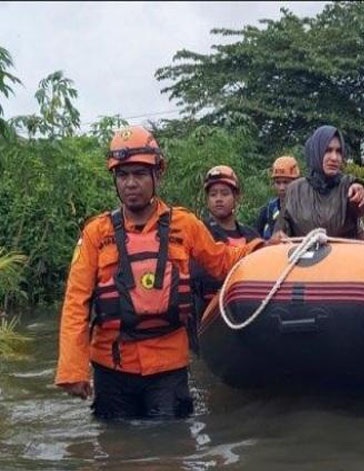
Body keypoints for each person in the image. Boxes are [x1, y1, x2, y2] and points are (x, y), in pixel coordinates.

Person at [56, 126, 266, 420]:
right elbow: (76, 302)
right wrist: (73, 370)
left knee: (171, 450)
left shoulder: (186, 224)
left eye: (140, 174)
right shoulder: (95, 233)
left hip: (168, 367)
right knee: (115, 451)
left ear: (158, 174)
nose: (131, 183)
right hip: (111, 368)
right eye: (122, 175)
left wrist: (264, 248)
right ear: (115, 180)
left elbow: (222, 260)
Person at [190, 165, 259, 332]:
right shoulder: (198, 233)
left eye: (225, 193)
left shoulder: (251, 235)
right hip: (209, 320)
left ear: (237, 197)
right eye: (213, 194)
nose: (218, 199)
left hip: (248, 316)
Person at [273, 125, 364, 239]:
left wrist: (361, 189)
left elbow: (363, 204)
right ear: (316, 152)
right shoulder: (295, 190)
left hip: (344, 256)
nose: (334, 157)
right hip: (303, 255)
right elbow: (279, 235)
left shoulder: (348, 186)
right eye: (328, 150)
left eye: (338, 151)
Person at [255, 156, 300, 239]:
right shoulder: (268, 210)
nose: (281, 188)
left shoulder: (305, 208)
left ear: (297, 182)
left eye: (286, 182)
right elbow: (256, 239)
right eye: (278, 183)